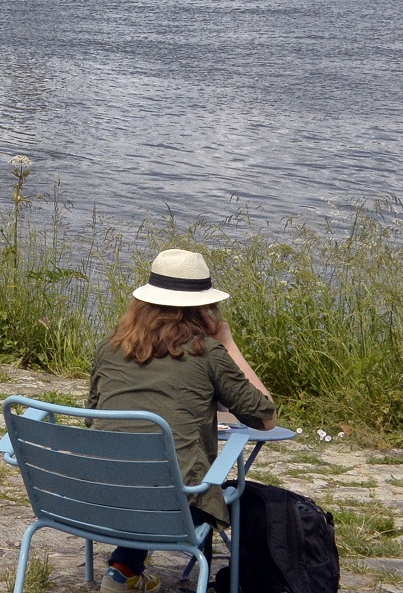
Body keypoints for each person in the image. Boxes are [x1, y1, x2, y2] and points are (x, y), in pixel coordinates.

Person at [88, 249, 275, 592]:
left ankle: (123, 569)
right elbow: (265, 416)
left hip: (99, 498)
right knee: (192, 485)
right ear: (204, 309)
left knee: (145, 470)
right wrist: (228, 341)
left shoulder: (109, 347)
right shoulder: (207, 352)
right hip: (172, 510)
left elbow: (96, 414)